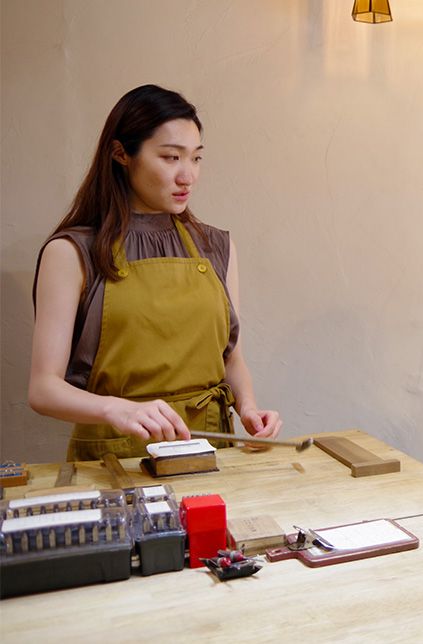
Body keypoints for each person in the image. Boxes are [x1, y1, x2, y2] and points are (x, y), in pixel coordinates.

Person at [28, 84, 282, 461]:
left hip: (211, 448)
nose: (188, 176)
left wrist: (247, 408)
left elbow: (231, 357)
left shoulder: (216, 246)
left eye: (195, 159)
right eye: (170, 158)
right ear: (120, 154)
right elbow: (43, 389)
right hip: (115, 458)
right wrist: (117, 409)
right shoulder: (71, 252)